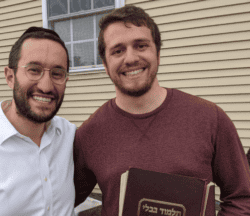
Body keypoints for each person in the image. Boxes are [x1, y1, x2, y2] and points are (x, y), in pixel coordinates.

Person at [74, 5, 250, 216]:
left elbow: (241, 197)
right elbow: (59, 199)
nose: (130, 58)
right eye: (118, 50)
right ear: (105, 63)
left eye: (141, 45)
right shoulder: (90, 134)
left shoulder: (210, 119)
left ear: (157, 53)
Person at [0, 27, 77, 216]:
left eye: (57, 73)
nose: (46, 86)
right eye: (34, 70)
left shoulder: (68, 135)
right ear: (10, 77)